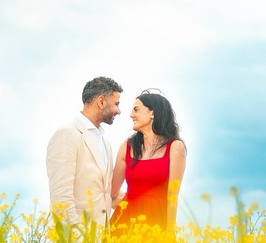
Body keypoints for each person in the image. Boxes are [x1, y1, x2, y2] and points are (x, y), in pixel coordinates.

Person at [46, 76, 123, 234]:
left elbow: (104, 195)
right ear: (101, 101)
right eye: (116, 104)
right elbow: (61, 199)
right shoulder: (67, 135)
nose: (119, 111)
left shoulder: (105, 144)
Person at [110, 89, 187, 230]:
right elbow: (112, 192)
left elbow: (172, 196)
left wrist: (170, 234)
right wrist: (133, 201)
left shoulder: (175, 147)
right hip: (124, 224)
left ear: (152, 113)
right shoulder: (126, 147)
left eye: (136, 110)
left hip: (156, 224)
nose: (131, 115)